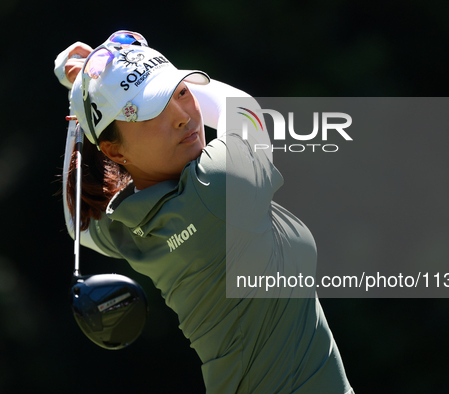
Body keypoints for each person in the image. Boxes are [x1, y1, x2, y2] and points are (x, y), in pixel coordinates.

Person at [54, 30, 354, 394]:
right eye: (153, 110)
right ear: (114, 152)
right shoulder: (221, 185)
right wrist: (85, 89)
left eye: (181, 92)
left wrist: (82, 102)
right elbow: (244, 108)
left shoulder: (125, 223)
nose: (183, 116)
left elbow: (76, 224)